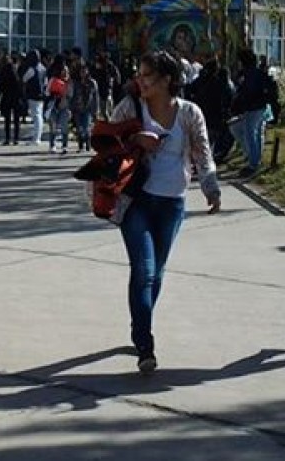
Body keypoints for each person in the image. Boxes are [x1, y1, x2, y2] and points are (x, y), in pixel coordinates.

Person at [110, 51, 221, 373]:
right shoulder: (131, 107)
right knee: (143, 270)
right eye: (139, 74)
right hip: (136, 200)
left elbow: (203, 152)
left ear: (168, 80)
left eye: (148, 76)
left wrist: (210, 187)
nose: (140, 80)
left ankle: (138, 324)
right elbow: (104, 139)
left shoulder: (189, 112)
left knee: (156, 273)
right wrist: (134, 137)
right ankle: (145, 344)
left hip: (172, 202)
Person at [229, 49, 272, 177]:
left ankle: (253, 163)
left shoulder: (248, 74)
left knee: (250, 134)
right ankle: (256, 160)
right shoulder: (258, 72)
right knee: (258, 133)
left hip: (252, 107)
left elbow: (246, 91)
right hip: (262, 106)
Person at [68, 62, 99, 152]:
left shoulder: (92, 83)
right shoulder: (76, 83)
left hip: (87, 109)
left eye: (84, 71)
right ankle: (81, 145)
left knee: (86, 127)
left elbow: (95, 97)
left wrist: (96, 110)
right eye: (81, 71)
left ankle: (88, 144)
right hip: (77, 108)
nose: (83, 73)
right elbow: (72, 96)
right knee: (79, 128)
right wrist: (71, 107)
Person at [0, 54, 23, 145]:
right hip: (15, 96)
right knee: (16, 119)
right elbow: (19, 84)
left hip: (6, 96)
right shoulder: (15, 70)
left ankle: (7, 138)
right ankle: (16, 138)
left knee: (7, 119)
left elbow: (0, 84)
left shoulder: (3, 71)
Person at [21, 50, 46, 145]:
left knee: (36, 116)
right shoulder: (43, 68)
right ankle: (37, 137)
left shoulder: (32, 69)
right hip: (41, 94)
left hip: (33, 94)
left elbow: (24, 79)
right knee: (39, 116)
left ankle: (36, 139)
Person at [46, 63, 71, 154]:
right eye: (63, 70)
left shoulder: (69, 82)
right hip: (54, 106)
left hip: (65, 107)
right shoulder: (53, 80)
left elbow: (71, 95)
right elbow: (47, 92)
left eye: (66, 71)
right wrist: (54, 94)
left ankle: (64, 146)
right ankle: (52, 145)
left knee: (64, 127)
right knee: (53, 126)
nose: (65, 72)